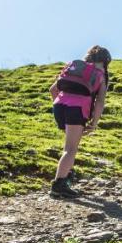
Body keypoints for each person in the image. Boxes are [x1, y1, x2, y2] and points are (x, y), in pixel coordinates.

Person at [49, 46, 111, 198]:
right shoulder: (100, 75)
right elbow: (100, 102)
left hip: (59, 105)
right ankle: (59, 185)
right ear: (105, 61)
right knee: (71, 149)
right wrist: (94, 123)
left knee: (68, 146)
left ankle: (67, 174)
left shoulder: (75, 66)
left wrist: (60, 104)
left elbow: (52, 89)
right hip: (77, 109)